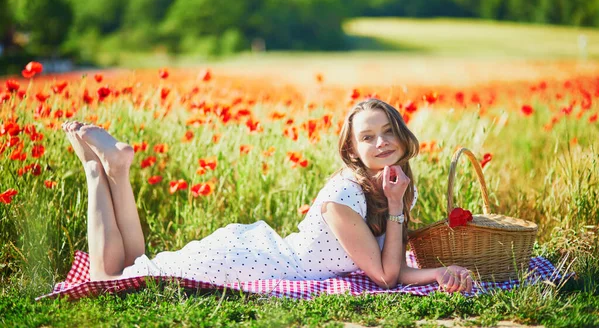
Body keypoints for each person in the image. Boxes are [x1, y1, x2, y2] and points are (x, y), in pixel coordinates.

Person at [61, 98, 473, 293]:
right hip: (247, 261)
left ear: (402, 134)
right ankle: (95, 169)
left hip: (260, 250)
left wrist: (436, 273)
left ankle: (118, 169)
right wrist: (399, 209)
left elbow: (394, 265)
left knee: (137, 264)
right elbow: (384, 277)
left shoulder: (394, 185)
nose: (381, 142)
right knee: (108, 279)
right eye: (368, 137)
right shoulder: (344, 194)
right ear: (354, 152)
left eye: (387, 131)